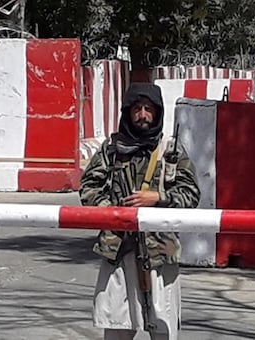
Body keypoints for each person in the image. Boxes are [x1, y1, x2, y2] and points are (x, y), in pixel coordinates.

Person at [79, 82, 200, 340]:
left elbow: (191, 194)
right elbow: (88, 188)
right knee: (117, 324)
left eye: (148, 109)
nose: (142, 115)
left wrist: (158, 198)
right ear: (127, 112)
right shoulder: (111, 150)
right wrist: (114, 213)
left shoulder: (170, 151)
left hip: (159, 252)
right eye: (136, 108)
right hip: (119, 249)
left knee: (163, 326)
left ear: (157, 113)